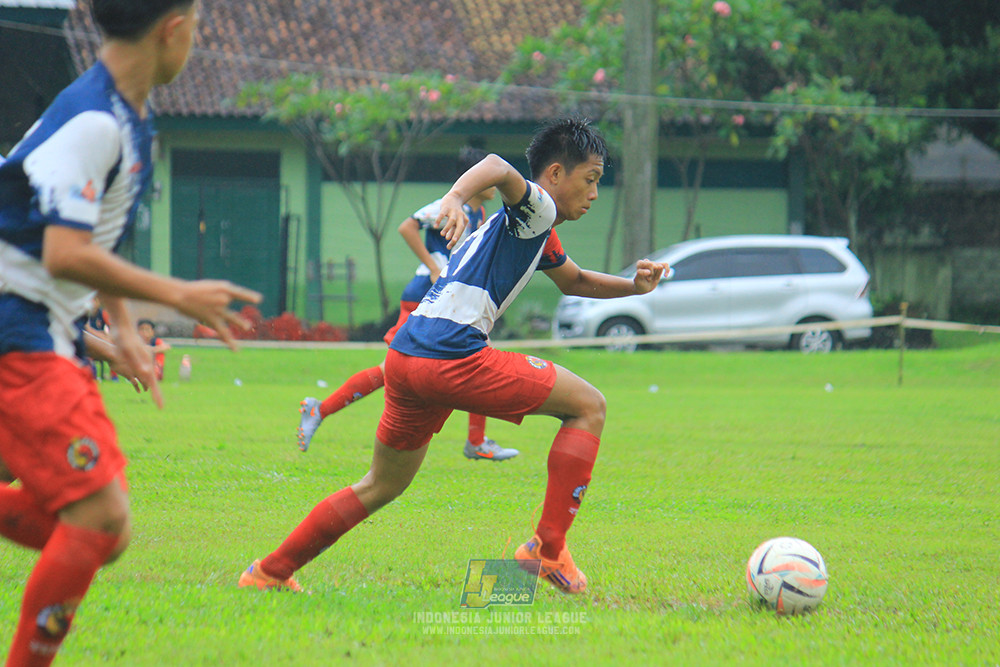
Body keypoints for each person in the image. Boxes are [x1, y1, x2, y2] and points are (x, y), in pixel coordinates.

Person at [239, 118, 668, 595]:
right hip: (452, 354)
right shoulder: (538, 208)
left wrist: (634, 286)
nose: (593, 194)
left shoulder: (534, 228)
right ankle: (546, 551)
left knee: (380, 485)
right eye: (589, 180)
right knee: (590, 406)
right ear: (552, 175)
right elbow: (495, 165)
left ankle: (269, 571)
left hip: (406, 355)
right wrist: (453, 199)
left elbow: (575, 281)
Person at [0, 1, 261, 664]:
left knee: (105, 529)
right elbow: (63, 250)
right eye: (196, 28)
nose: (194, 44)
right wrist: (177, 293)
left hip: (39, 326)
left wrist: (120, 326)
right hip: (17, 324)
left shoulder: (125, 115)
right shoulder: (94, 121)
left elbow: (92, 230)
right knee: (100, 516)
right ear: (172, 28)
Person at [297, 147, 518, 461]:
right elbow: (407, 226)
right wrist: (432, 266)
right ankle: (320, 409)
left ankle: (477, 442)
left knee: (475, 356)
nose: (497, 182)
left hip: (445, 299)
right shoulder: (452, 205)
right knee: (394, 371)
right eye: (491, 175)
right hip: (423, 298)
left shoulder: (479, 213)